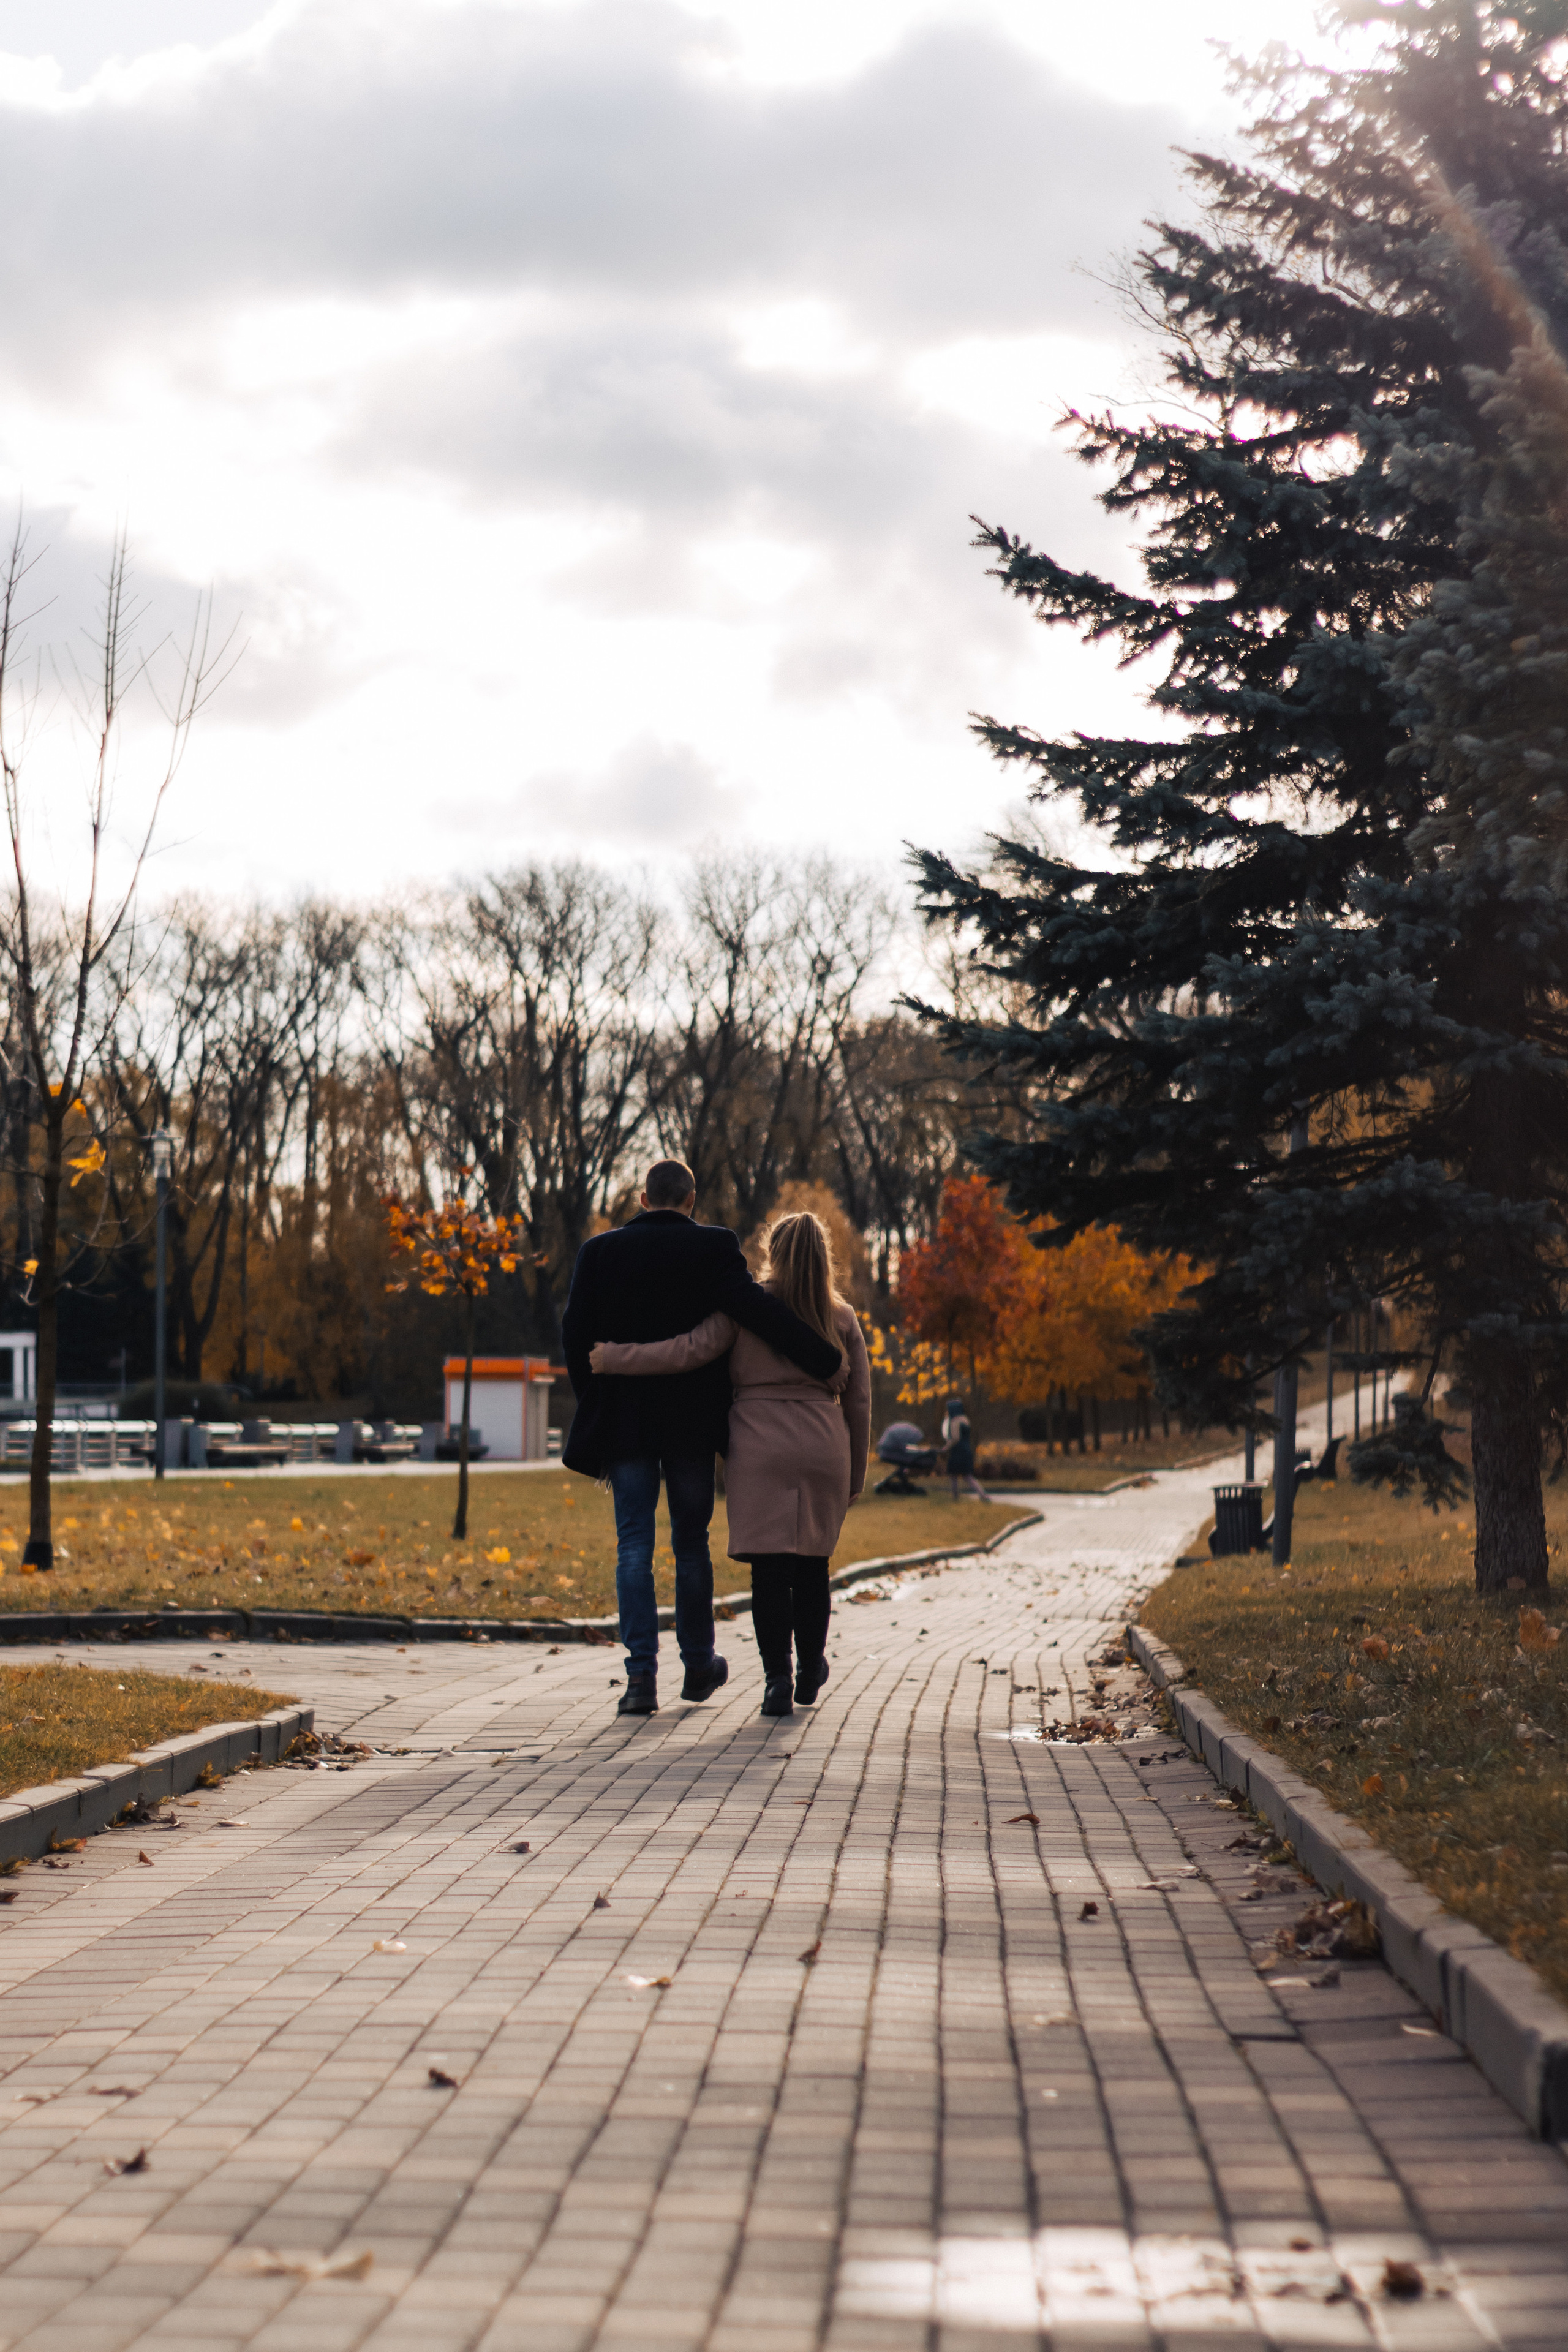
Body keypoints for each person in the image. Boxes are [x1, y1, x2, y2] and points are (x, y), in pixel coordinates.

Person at [561, 1161, 843, 1719]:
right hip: (689, 1426)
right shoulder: (715, 1247)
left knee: (634, 1545)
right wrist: (823, 1359)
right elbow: (755, 1311)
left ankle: (641, 1678)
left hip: (624, 1424)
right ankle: (698, 1663)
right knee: (690, 1543)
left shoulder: (598, 1253)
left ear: (644, 1198)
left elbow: (575, 1336)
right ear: (691, 1199)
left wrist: (596, 1399)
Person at [941, 1395, 990, 1501]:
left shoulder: (955, 1421)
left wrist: (946, 1447)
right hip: (967, 1449)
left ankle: (955, 1498)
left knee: (953, 1476)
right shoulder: (965, 1419)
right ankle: (983, 1496)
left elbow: (955, 1438)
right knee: (968, 1476)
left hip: (958, 1451)